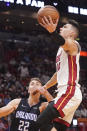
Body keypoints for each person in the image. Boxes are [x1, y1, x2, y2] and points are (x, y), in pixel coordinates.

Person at [35, 15, 82, 131]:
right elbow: (58, 74)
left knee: (39, 123)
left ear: (71, 33)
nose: (61, 28)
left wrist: (53, 32)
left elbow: (65, 43)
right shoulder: (61, 50)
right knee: (56, 128)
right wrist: (45, 86)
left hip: (69, 91)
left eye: (64, 27)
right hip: (64, 92)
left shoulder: (74, 45)